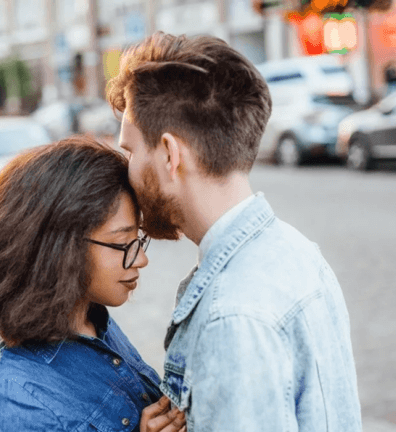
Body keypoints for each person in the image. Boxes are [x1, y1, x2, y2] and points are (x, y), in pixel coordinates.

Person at [107, 32, 361, 431]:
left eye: (131, 151)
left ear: (170, 155)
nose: (128, 169)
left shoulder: (231, 317)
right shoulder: (296, 250)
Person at [0, 136, 187, 432]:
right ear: (58, 250)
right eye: (121, 243)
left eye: (137, 240)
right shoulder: (17, 405)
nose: (140, 260)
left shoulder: (91, 321)